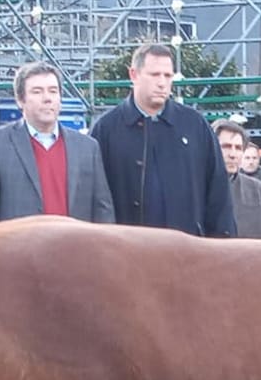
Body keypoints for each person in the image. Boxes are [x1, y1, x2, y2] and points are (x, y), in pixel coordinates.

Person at [89, 43, 234, 238]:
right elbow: (94, 199)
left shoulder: (195, 126)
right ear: (134, 75)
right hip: (127, 249)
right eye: (155, 75)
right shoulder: (106, 129)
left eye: (168, 76)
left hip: (187, 249)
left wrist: (222, 244)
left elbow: (218, 194)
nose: (162, 83)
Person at [0, 61, 113, 226]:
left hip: (74, 242)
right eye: (37, 92)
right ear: (20, 100)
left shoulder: (88, 147)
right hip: (20, 242)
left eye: (53, 91)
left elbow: (103, 210)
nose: (47, 99)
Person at [212, 119, 261, 240]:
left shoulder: (260, 192)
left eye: (238, 148)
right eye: (226, 147)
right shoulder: (192, 189)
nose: (233, 154)